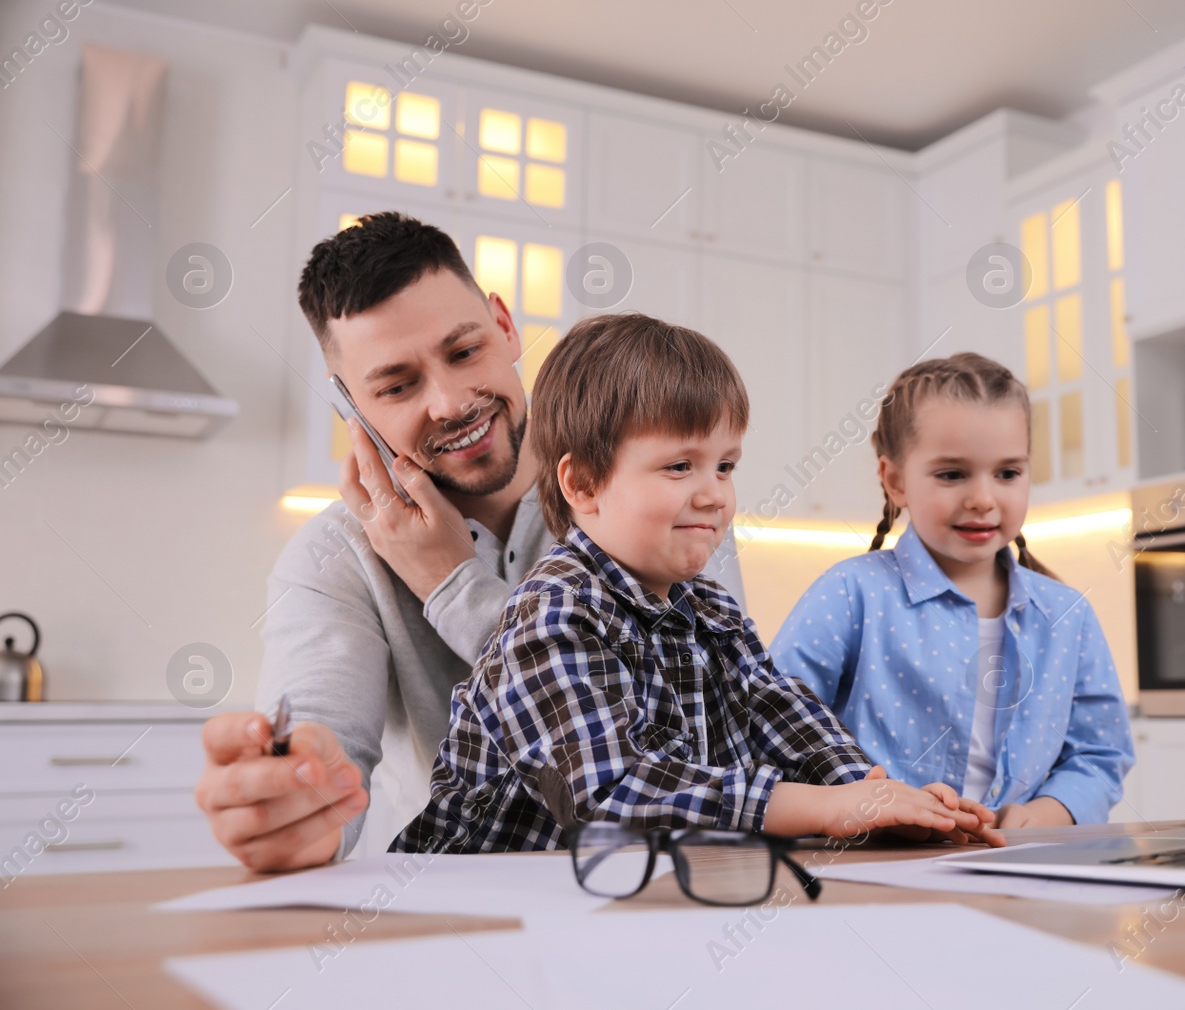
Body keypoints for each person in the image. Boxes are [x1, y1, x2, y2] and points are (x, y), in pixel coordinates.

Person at [193, 213, 746, 872]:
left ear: (506, 327)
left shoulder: (664, 486)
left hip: (666, 885)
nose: (452, 402)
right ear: (350, 407)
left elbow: (703, 731)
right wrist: (300, 806)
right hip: (451, 919)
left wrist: (455, 583)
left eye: (464, 352)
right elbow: (323, 743)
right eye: (397, 386)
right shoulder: (330, 560)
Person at [392, 314, 1002, 852]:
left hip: (606, 902)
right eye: (680, 466)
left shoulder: (712, 609)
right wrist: (828, 809)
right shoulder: (552, 612)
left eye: (725, 465)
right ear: (583, 486)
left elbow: (782, 716)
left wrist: (873, 795)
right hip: (467, 907)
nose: (714, 494)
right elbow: (611, 797)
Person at [769, 353, 1134, 829]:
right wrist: (863, 800)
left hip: (1014, 863)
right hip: (870, 860)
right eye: (952, 474)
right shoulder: (850, 592)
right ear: (895, 480)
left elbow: (1102, 753)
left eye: (1007, 473)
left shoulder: (1067, 613)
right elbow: (774, 726)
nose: (983, 498)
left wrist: (1049, 812)